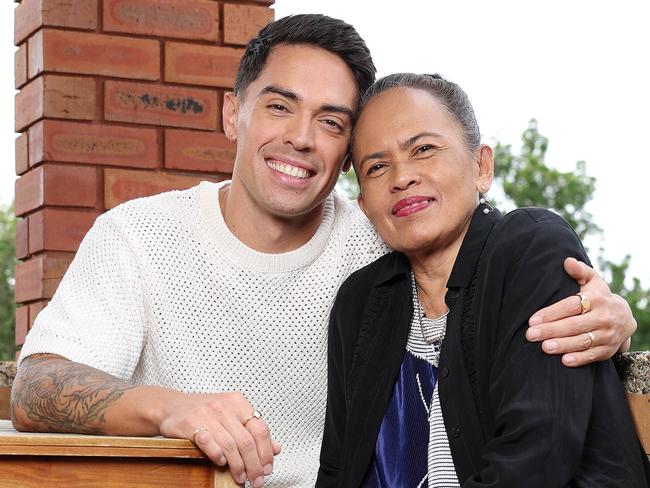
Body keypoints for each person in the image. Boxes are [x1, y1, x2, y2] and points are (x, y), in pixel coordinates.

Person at [10, 15, 637, 488]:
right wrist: (173, 408)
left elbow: (494, 251)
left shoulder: (382, 236)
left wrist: (607, 314)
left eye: (333, 122)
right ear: (234, 113)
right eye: (279, 107)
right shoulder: (140, 236)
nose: (302, 139)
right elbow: (35, 388)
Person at [317, 73, 649, 487]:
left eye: (423, 149)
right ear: (366, 205)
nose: (401, 177)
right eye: (377, 166)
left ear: (481, 166)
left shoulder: (530, 248)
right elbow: (337, 469)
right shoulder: (360, 301)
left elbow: (535, 463)